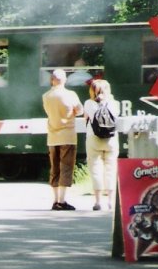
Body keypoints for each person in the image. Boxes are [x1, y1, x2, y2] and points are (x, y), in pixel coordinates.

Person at [42, 68, 84, 211]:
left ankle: (54, 200)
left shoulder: (46, 96)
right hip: (68, 136)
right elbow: (80, 111)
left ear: (52, 80)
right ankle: (62, 200)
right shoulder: (70, 94)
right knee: (66, 167)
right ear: (65, 80)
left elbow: (48, 112)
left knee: (55, 168)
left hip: (52, 136)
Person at [83, 79, 120, 211]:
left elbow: (85, 119)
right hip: (111, 139)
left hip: (93, 138)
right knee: (111, 168)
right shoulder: (114, 103)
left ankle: (98, 201)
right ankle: (110, 201)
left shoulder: (88, 103)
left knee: (96, 169)